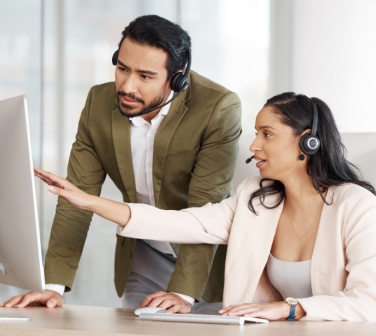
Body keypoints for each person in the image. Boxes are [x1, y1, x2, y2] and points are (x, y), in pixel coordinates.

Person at [8, 92, 376, 322]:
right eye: (255, 133)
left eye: (267, 134)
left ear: (306, 143)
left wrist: (291, 308)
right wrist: (89, 200)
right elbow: (183, 224)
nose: (253, 146)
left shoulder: (355, 206)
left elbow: (368, 302)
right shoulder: (256, 198)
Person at [1, 15, 242, 313]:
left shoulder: (218, 108)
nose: (127, 86)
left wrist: (183, 292)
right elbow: (75, 197)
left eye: (145, 76)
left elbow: (206, 208)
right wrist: (52, 287)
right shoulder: (98, 102)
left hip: (205, 262)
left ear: (176, 78)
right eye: (122, 68)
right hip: (143, 253)